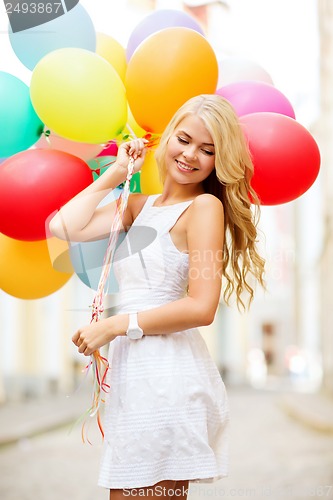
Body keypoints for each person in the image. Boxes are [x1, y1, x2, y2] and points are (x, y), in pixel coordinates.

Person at [49, 94, 265, 499]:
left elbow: (201, 307)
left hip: (169, 379)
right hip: (134, 378)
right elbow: (64, 226)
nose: (190, 155)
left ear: (219, 161)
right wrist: (116, 171)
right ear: (166, 138)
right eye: (183, 139)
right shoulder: (138, 208)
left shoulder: (204, 209)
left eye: (208, 150)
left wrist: (113, 326)